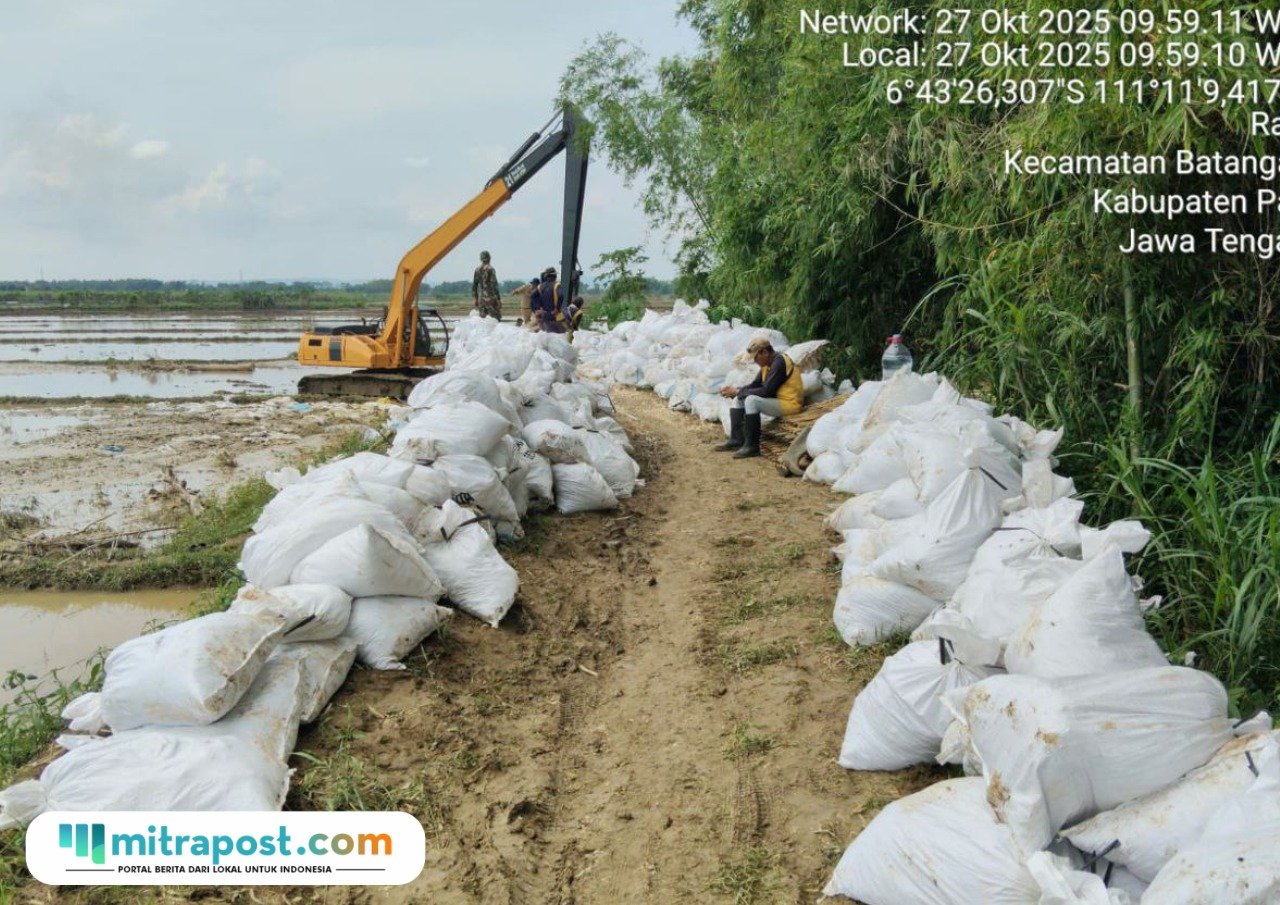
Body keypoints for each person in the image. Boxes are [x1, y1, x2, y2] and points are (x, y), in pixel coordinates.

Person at [715, 335, 805, 458]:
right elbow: (755, 385)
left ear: (765, 352)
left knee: (751, 400)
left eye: (756, 358)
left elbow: (767, 391)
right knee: (740, 398)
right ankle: (736, 440)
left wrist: (738, 392)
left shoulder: (779, 362)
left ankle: (752, 447)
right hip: (778, 400)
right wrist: (737, 391)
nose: (755, 362)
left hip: (790, 404)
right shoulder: (767, 365)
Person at [531, 267, 567, 333]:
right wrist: (557, 308)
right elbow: (561, 295)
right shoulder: (556, 285)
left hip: (544, 316)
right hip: (554, 316)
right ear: (554, 275)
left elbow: (533, 296)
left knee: (545, 335)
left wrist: (537, 309)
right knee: (562, 335)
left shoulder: (540, 286)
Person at [472, 251, 502, 320]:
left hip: (481, 299)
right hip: (491, 299)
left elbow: (474, 286)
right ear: (489, 258)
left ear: (481, 259)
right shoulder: (491, 269)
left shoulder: (477, 269)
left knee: (483, 321)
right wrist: (498, 300)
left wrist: (475, 299)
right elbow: (494, 285)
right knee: (495, 320)